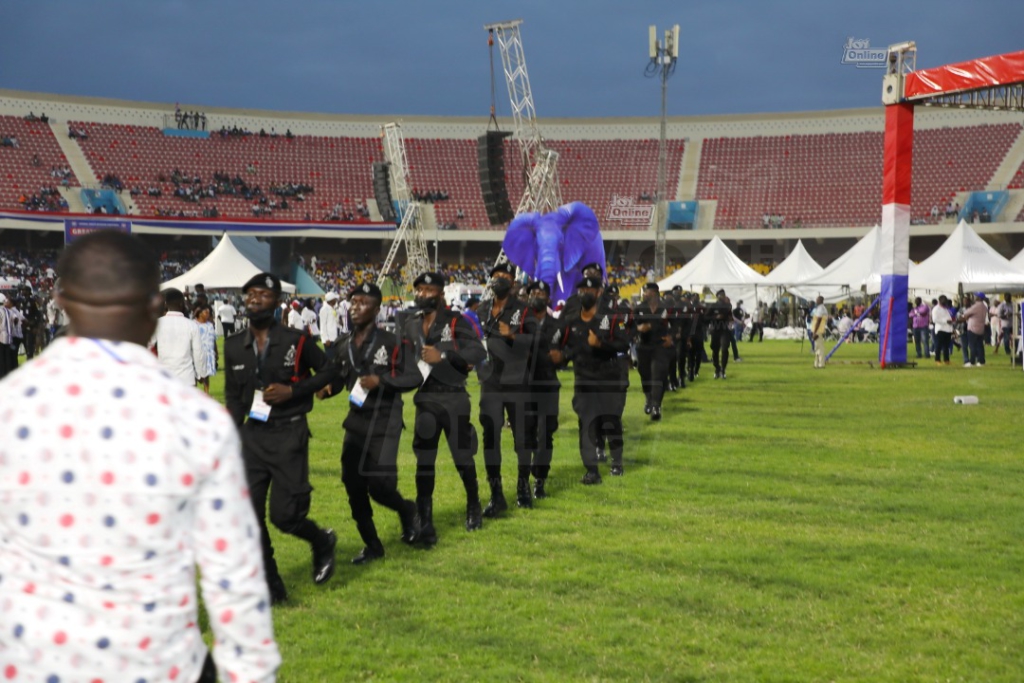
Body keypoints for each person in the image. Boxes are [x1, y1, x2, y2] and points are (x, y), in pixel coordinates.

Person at [0, 230, 279, 682]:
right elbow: (233, 579)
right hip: (157, 664)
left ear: (62, 300)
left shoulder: (9, 406)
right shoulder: (197, 421)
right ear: (154, 308)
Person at [223, 272, 338, 604]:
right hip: (252, 438)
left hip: (289, 432)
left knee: (285, 517)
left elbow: (330, 370)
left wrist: (294, 390)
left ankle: (320, 541)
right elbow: (233, 397)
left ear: (277, 302)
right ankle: (274, 589)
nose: (255, 299)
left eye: (263, 294)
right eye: (250, 294)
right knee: (249, 519)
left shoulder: (296, 340)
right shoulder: (233, 347)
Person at [318, 282, 422, 563]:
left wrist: (382, 380)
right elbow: (340, 377)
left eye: (363, 302)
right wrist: (328, 389)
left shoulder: (392, 343)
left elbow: (414, 377)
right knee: (352, 484)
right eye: (353, 302)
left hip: (386, 421)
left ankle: (406, 510)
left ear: (376, 309)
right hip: (356, 422)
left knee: (380, 486)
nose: (355, 307)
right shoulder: (343, 345)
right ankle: (373, 545)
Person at [403, 271, 487, 544]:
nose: (423, 294)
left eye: (429, 289)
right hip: (425, 401)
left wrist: (445, 356)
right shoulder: (411, 324)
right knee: (424, 462)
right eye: (420, 289)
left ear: (440, 294)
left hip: (453, 399)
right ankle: (424, 518)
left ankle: (473, 506)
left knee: (463, 458)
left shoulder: (455, 321)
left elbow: (478, 352)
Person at [556, 276, 630, 482]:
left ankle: (617, 462)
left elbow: (624, 345)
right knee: (586, 424)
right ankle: (592, 470)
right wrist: (560, 358)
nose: (584, 294)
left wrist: (601, 345)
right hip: (584, 380)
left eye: (589, 290)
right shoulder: (571, 321)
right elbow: (565, 349)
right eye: (581, 290)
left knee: (610, 421)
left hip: (609, 378)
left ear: (598, 293)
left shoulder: (612, 317)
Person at [476, 263, 537, 512]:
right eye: (496, 276)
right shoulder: (481, 310)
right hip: (490, 383)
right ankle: (496, 494)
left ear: (513, 283)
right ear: (490, 281)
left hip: (517, 382)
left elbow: (534, 341)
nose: (500, 280)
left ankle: (523, 488)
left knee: (522, 439)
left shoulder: (523, 311)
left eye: (505, 277)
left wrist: (512, 336)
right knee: (491, 437)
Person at [525, 280, 562, 499]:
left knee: (545, 434)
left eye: (541, 292)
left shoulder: (557, 325)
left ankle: (540, 479)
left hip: (547, 385)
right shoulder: (519, 323)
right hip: (524, 386)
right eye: (533, 292)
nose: (537, 295)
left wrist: (562, 356)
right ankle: (525, 478)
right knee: (526, 436)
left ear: (548, 298)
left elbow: (561, 352)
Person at [634, 282, 674, 421]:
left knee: (658, 374)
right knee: (645, 374)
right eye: (644, 292)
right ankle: (648, 398)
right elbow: (630, 326)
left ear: (655, 294)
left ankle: (656, 406)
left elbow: (678, 324)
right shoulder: (638, 308)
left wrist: (672, 337)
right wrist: (638, 329)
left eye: (647, 292)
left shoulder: (667, 308)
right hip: (643, 346)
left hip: (660, 346)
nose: (644, 294)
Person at [153, 287, 205, 386]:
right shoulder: (192, 325)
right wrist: (200, 374)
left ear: (165, 304)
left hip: (165, 378)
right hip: (187, 378)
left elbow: (147, 346)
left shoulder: (158, 324)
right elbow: (198, 353)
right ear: (182, 304)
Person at [707, 290, 734, 379]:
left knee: (725, 348)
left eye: (723, 295)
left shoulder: (728, 306)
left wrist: (730, 319)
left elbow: (730, 317)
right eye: (721, 295)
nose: (722, 297)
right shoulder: (713, 306)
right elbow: (706, 317)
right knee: (715, 350)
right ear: (717, 296)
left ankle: (723, 369)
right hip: (715, 330)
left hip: (724, 330)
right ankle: (717, 368)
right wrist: (715, 317)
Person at [194, 303, 218, 393]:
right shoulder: (193, 324)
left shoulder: (210, 325)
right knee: (195, 375)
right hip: (197, 353)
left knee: (207, 376)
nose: (208, 315)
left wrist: (216, 353)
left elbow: (214, 340)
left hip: (209, 353)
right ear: (199, 313)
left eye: (209, 313)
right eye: (206, 312)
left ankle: (206, 393)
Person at [959, 293, 988, 367]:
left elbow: (966, 313)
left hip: (973, 328)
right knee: (980, 345)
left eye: (975, 296)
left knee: (972, 346)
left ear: (978, 298)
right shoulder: (984, 306)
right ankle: (981, 361)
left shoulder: (976, 306)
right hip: (981, 327)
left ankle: (972, 362)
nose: (974, 297)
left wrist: (967, 315)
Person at [931, 295, 954, 365]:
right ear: (939, 301)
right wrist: (945, 321)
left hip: (948, 329)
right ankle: (937, 360)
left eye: (945, 301)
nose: (944, 302)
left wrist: (951, 322)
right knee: (938, 345)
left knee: (946, 346)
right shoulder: (936, 309)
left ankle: (946, 360)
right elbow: (934, 319)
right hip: (940, 329)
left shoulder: (946, 309)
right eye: (943, 301)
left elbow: (949, 317)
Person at [320, 291, 342, 362]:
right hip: (329, 339)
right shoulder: (324, 309)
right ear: (331, 300)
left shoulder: (332, 308)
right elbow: (323, 325)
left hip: (335, 337)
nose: (336, 300)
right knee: (330, 359)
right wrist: (326, 338)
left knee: (336, 358)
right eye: (335, 299)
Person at [810, 296, 829, 368]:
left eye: (817, 299)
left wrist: (815, 331)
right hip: (819, 330)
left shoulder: (821, 309)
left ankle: (821, 364)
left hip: (818, 330)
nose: (816, 301)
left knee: (819, 348)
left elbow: (818, 320)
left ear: (821, 300)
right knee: (817, 347)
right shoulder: (821, 308)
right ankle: (817, 363)